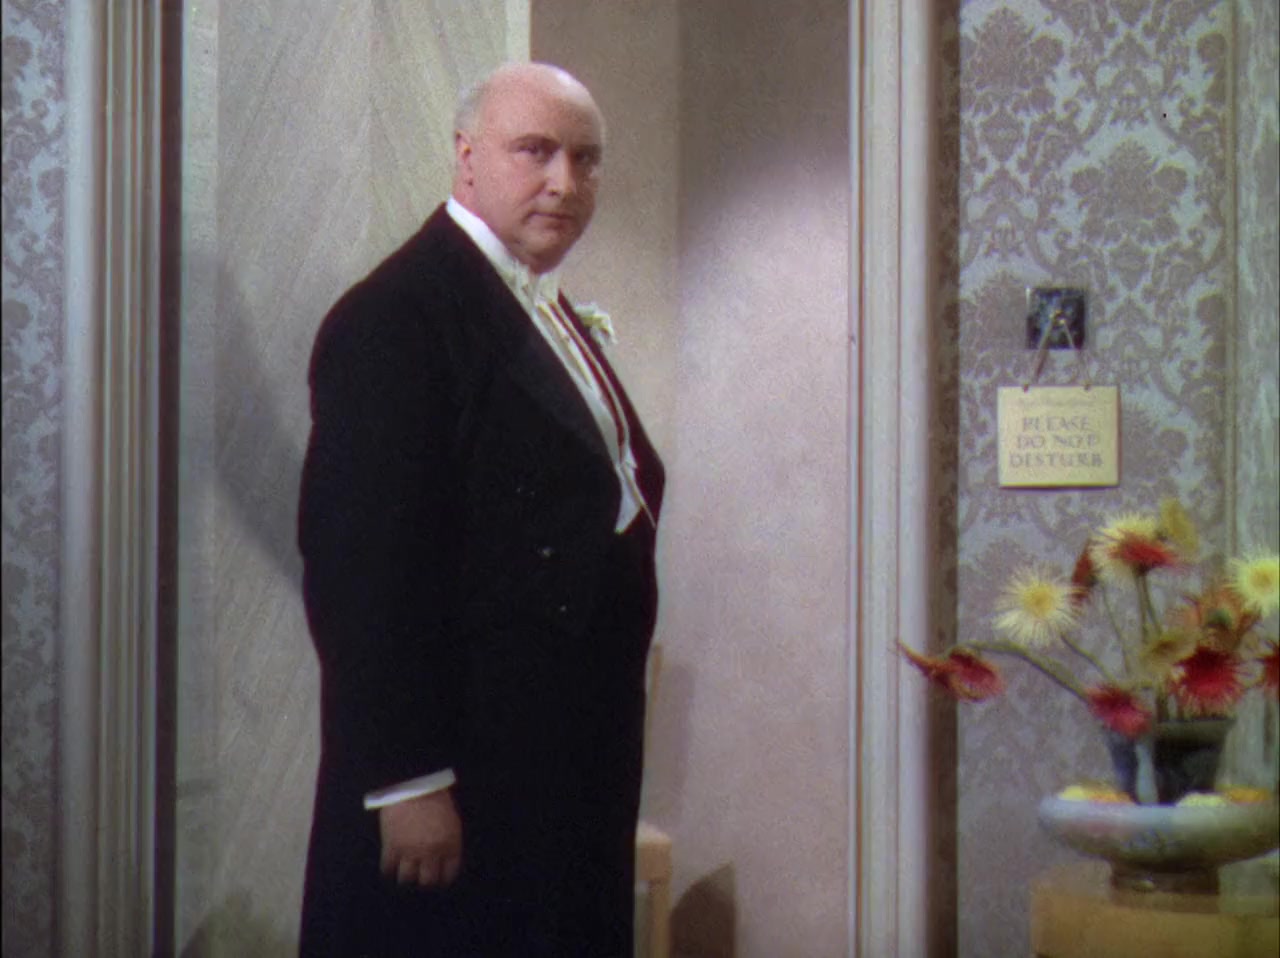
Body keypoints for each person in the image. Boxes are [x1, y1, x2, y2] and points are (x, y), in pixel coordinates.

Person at [296, 62, 664, 957]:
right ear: (466, 158)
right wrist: (406, 780)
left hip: (556, 760)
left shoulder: (532, 297)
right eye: (535, 151)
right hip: (465, 771)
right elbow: (362, 569)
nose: (564, 182)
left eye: (586, 158)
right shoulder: (397, 315)